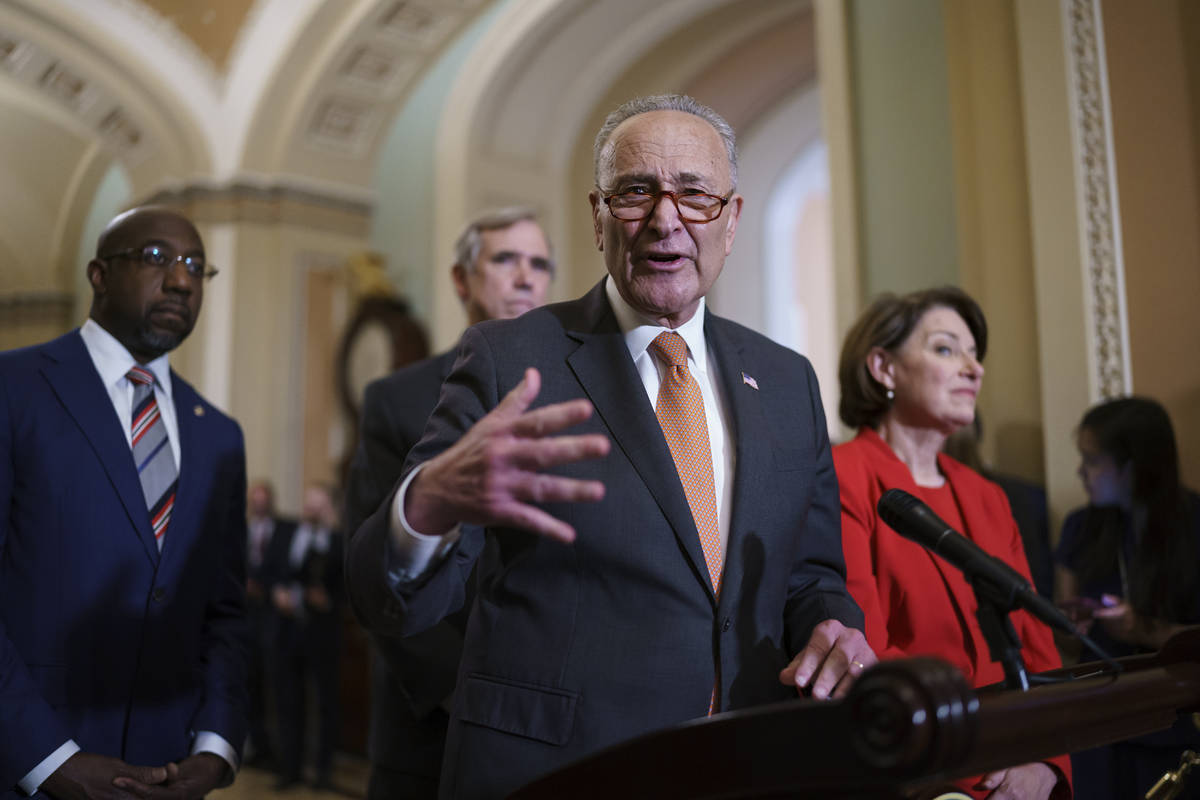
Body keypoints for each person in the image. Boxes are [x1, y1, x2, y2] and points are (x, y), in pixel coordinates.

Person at [346, 94, 874, 800]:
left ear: (733, 219)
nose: (666, 219)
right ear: (599, 217)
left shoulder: (785, 380)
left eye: (694, 195)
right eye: (635, 192)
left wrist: (834, 627)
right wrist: (430, 505)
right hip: (559, 769)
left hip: (748, 762)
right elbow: (392, 598)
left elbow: (810, 576)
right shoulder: (510, 359)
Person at [0, 206, 249, 799]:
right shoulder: (14, 389)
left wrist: (215, 746)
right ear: (99, 274)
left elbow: (228, 612)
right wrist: (48, 760)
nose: (182, 281)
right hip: (26, 764)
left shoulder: (218, 433)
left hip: (169, 771)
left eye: (196, 266)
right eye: (157, 258)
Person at [344, 207, 555, 799]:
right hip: (431, 726)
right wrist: (467, 690)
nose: (525, 278)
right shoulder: (396, 399)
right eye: (505, 259)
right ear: (462, 280)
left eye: (539, 264)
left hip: (558, 726)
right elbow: (376, 563)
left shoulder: (584, 390)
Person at [833, 286, 1070, 800]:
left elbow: (1039, 651)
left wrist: (1047, 766)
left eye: (974, 354)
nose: (974, 368)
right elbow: (864, 649)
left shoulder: (987, 497)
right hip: (920, 770)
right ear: (883, 367)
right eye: (946, 348)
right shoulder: (843, 477)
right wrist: (975, 775)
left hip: (1021, 772)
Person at [1055, 396, 1200, 800]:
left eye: (1093, 459)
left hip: (1172, 718)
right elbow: (1062, 639)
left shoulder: (1193, 523)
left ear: (1135, 467)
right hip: (1094, 718)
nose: (1081, 471)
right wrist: (1069, 622)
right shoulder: (1080, 526)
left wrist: (1141, 628)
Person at [273, 483, 344, 791]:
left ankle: (323, 771)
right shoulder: (286, 532)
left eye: (319, 504)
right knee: (289, 702)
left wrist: (328, 601)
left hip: (322, 634)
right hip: (288, 632)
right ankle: (290, 769)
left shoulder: (338, 541)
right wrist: (278, 593)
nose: (311, 509)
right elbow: (271, 571)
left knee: (326, 703)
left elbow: (349, 586)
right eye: (309, 503)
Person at [244, 479, 295, 769]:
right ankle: (258, 747)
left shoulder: (286, 529)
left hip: (276, 621)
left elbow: (290, 569)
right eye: (255, 499)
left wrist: (266, 587)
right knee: (252, 686)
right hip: (248, 620)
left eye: (263, 499)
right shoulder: (242, 530)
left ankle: (283, 755)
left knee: (279, 687)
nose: (259, 504)